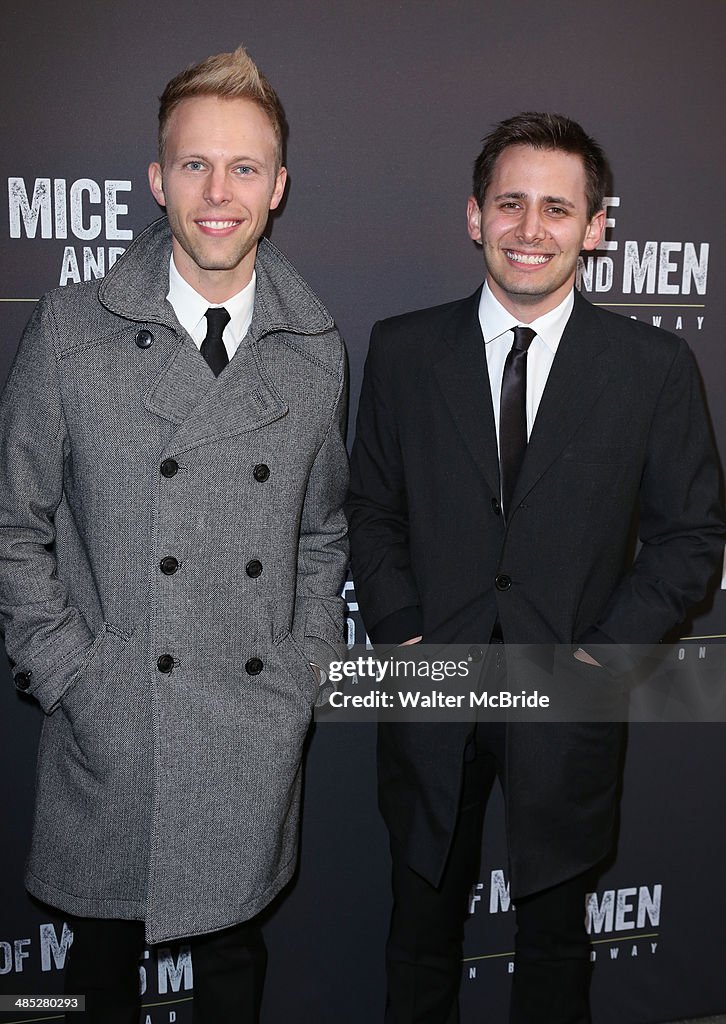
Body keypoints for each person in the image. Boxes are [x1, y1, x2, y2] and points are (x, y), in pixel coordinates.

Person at [346, 112, 724, 1023]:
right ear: (474, 215)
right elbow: (370, 509)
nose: (530, 228)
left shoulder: (654, 369)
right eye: (510, 203)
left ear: (596, 227)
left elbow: (690, 539)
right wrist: (405, 631)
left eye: (558, 208)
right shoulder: (403, 351)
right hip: (435, 693)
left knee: (555, 953)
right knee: (418, 939)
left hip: (569, 696)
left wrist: (601, 656)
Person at [0, 47, 348, 1023]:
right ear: (158, 180)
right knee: (101, 985)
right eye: (194, 164)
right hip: (113, 735)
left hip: (249, 733)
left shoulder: (316, 352)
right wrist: (74, 674)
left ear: (279, 188)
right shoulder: (71, 332)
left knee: (235, 980)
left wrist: (302, 670)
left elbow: (323, 532)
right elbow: (12, 522)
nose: (218, 192)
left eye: (244, 168)